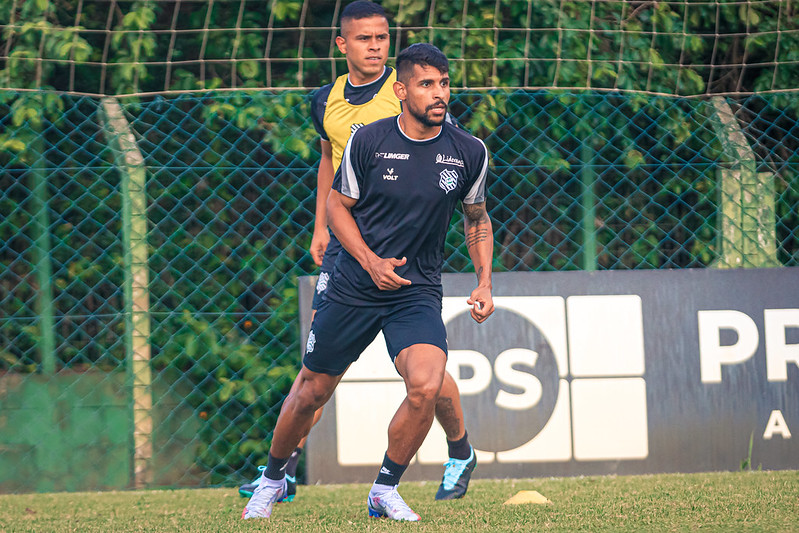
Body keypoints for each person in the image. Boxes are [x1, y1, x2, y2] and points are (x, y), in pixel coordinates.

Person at [242, 42, 495, 522]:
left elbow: (477, 219)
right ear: (401, 90)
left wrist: (484, 281)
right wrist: (369, 261)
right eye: (426, 84)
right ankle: (272, 479)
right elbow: (338, 208)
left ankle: (384, 489)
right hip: (355, 284)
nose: (439, 93)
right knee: (311, 390)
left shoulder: (469, 151)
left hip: (416, 289)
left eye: (444, 83)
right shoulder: (370, 140)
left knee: (425, 382)